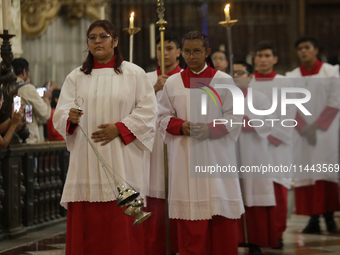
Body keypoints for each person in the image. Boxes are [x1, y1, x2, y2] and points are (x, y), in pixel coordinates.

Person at [53, 20, 157, 255]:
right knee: (89, 226)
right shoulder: (76, 76)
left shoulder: (134, 73)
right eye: (92, 37)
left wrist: (120, 128)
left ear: (115, 41)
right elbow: (60, 114)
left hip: (122, 155)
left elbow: (149, 110)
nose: (97, 41)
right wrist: (70, 118)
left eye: (103, 36)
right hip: (86, 158)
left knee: (121, 229)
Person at [157, 31, 244, 255]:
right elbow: (161, 116)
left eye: (197, 51)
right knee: (190, 220)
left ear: (207, 52)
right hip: (185, 154)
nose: (192, 56)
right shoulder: (173, 82)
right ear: (181, 53)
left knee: (220, 215)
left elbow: (235, 116)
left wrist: (210, 129)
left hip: (217, 154)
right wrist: (180, 126)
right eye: (187, 51)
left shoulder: (224, 80)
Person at [286, 36, 340, 234]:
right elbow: (289, 105)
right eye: (300, 48)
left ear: (315, 50)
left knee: (325, 173)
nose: (303, 51)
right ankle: (313, 219)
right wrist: (304, 129)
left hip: (325, 133)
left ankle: (329, 217)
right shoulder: (292, 76)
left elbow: (335, 102)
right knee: (306, 174)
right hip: (302, 134)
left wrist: (316, 126)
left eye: (307, 47)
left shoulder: (331, 72)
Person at [249, 41, 296, 249]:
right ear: (254, 59)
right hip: (252, 145)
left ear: (275, 59)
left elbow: (289, 114)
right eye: (259, 55)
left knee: (278, 192)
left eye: (268, 55)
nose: (263, 59)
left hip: (277, 146)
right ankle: (256, 236)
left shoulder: (286, 83)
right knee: (255, 192)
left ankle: (277, 233)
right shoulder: (248, 83)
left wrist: (269, 135)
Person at [233, 61, 279, 255]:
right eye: (233, 73)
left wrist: (247, 122)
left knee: (255, 194)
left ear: (250, 76)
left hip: (254, 154)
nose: (236, 76)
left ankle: (255, 241)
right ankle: (236, 239)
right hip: (232, 154)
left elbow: (269, 122)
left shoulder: (259, 98)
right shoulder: (222, 99)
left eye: (241, 72)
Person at [144, 31, 181, 255]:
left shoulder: (187, 77)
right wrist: (154, 89)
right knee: (154, 192)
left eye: (169, 48)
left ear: (178, 52)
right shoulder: (145, 78)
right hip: (152, 145)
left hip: (178, 142)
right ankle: (155, 247)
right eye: (160, 48)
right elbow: (132, 106)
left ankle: (177, 245)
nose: (164, 53)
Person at [12, 58, 52, 143]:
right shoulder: (27, 89)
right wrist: (45, 98)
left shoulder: (5, 87)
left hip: (10, 138)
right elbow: (45, 114)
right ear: (24, 71)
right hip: (28, 139)